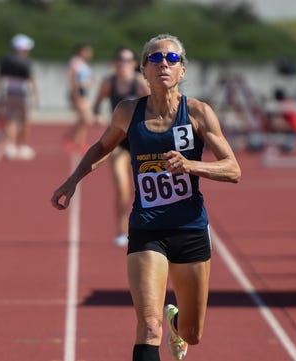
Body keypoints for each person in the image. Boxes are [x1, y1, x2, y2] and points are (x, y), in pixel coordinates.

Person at [51, 34, 241, 361]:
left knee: (193, 333)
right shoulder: (128, 112)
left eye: (171, 59)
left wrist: (192, 165)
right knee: (148, 326)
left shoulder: (197, 113)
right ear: (143, 70)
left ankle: (176, 323)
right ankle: (160, 324)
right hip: (147, 229)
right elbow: (101, 147)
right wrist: (72, 181)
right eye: (155, 59)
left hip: (190, 228)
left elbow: (233, 169)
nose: (163, 64)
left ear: (182, 70)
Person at [93, 47, 150, 247]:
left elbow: (158, 104)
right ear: (114, 63)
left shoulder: (140, 83)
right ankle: (121, 231)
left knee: (141, 188)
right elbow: (97, 103)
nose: (123, 64)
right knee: (121, 187)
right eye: (119, 60)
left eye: (127, 60)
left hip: (140, 141)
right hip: (118, 140)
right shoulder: (109, 83)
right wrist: (97, 115)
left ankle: (144, 227)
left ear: (134, 64)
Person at [0, 34, 37, 160]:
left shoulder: (4, 59)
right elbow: (30, 79)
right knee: (24, 119)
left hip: (7, 89)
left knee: (10, 119)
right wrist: (36, 94)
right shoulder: (26, 61)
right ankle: (23, 146)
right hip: (23, 91)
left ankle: (10, 146)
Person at [66, 43, 94, 154]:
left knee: (85, 120)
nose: (89, 54)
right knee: (86, 119)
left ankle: (78, 141)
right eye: (87, 51)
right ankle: (73, 138)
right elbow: (72, 78)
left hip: (84, 92)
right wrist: (75, 93)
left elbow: (86, 78)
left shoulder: (84, 64)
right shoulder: (76, 62)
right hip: (78, 93)